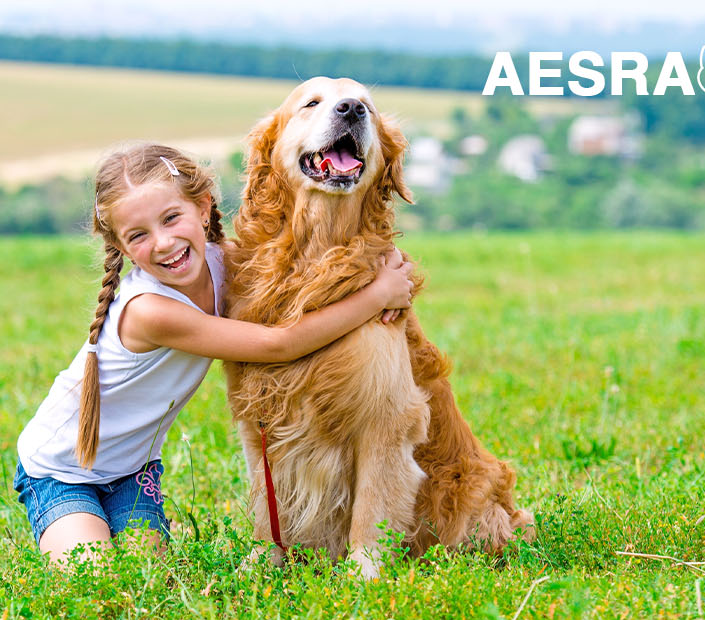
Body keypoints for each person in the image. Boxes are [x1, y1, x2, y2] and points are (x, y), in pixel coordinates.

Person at [12, 143, 415, 564]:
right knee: (98, 580)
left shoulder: (228, 264)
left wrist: (382, 266)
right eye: (139, 235)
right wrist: (374, 298)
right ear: (122, 247)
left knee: (148, 572)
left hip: (132, 473)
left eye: (171, 218)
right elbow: (279, 344)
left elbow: (304, 271)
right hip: (60, 472)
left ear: (204, 208)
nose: (164, 243)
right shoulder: (148, 310)